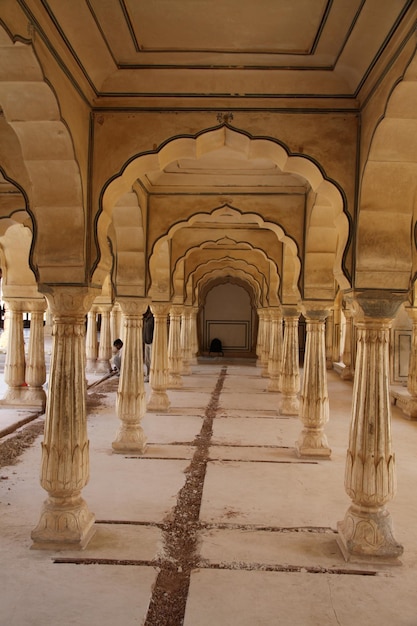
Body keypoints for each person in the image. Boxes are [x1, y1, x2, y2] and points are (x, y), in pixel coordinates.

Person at [143, 308, 154, 382]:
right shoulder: (146, 319)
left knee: (152, 359)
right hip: (146, 342)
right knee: (147, 361)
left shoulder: (152, 319)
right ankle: (148, 375)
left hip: (152, 342)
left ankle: (152, 375)